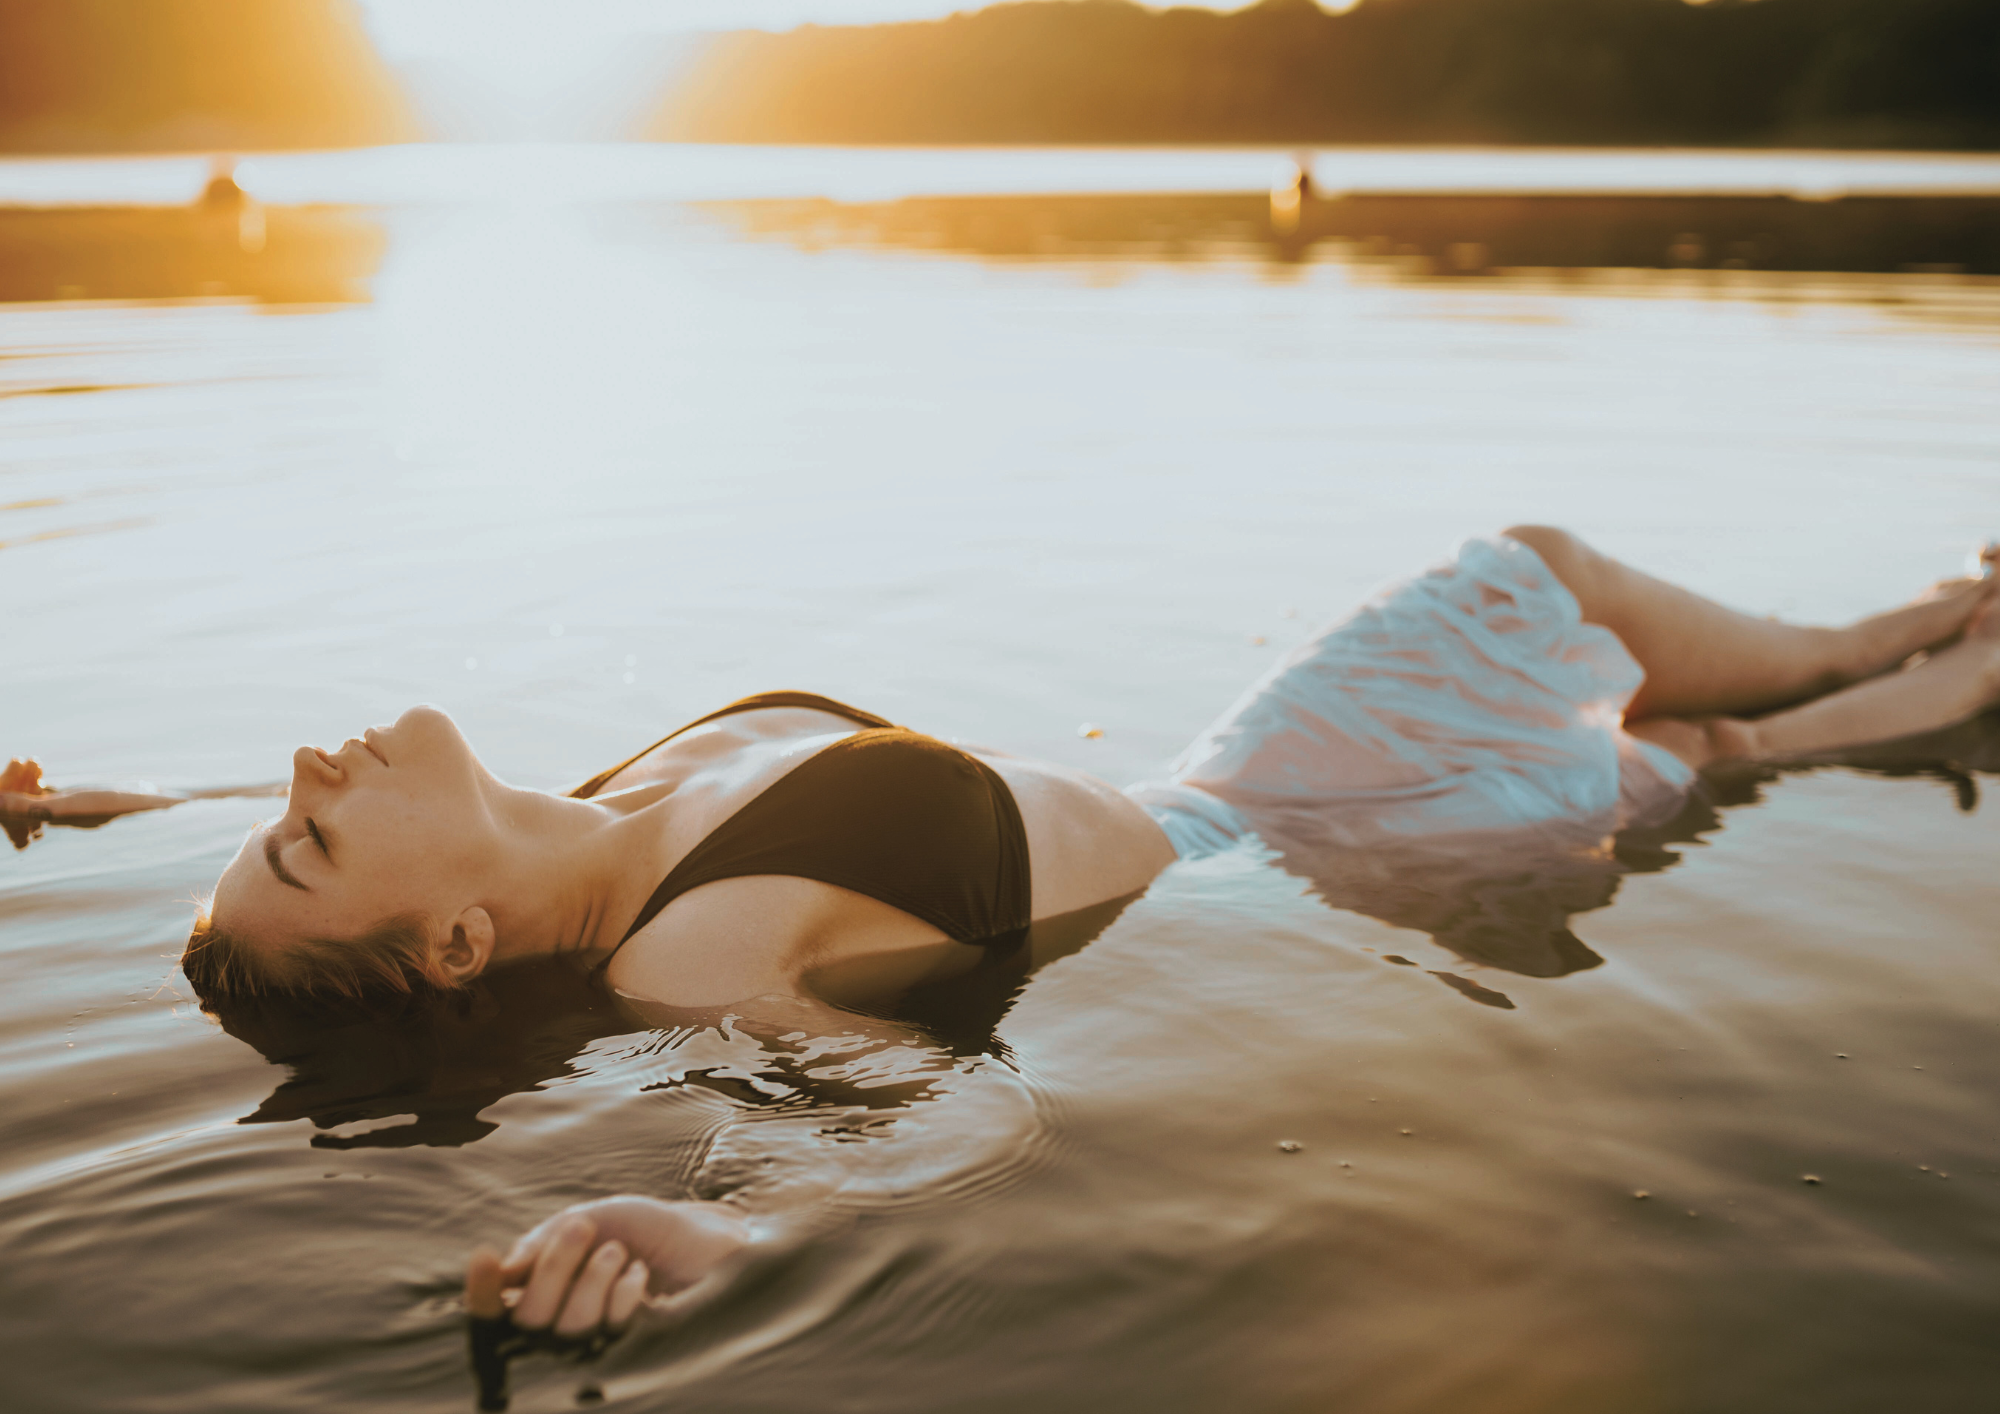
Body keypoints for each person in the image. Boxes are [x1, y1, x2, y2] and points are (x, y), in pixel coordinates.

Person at [9, 526, 2000, 1344]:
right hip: (1341, 845)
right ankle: (1897, 688)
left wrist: (110, 807)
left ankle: (1866, 628)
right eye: (299, 835)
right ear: (450, 944)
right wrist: (733, 1228)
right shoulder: (699, 949)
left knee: (1535, 567)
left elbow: (241, 808)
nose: (300, 766)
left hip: (1253, 761)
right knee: (1690, 754)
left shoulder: (604, 801)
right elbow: (896, 1104)